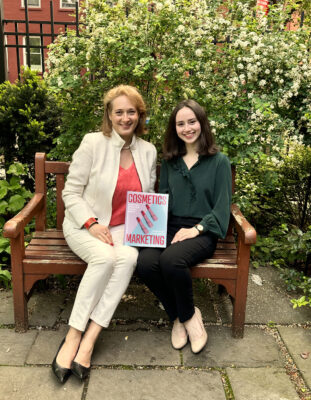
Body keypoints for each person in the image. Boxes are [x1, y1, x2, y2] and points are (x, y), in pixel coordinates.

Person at [52, 85, 157, 383]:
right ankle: (73, 336)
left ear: (140, 115)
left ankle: (91, 338)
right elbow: (70, 193)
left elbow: (145, 198)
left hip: (124, 229)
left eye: (131, 112)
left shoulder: (147, 151)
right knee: (104, 259)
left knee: (126, 260)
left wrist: (149, 227)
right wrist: (91, 223)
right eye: (119, 112)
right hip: (85, 225)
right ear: (109, 116)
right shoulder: (92, 143)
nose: (125, 118)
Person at [136, 99, 232, 354]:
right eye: (181, 123)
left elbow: (221, 209)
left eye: (192, 121)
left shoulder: (219, 161)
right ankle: (179, 316)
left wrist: (197, 229)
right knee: (144, 262)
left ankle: (190, 319)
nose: (187, 128)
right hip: (170, 226)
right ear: (174, 128)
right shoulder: (170, 161)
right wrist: (147, 227)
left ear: (201, 123)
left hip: (203, 231)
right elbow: (163, 200)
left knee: (170, 260)